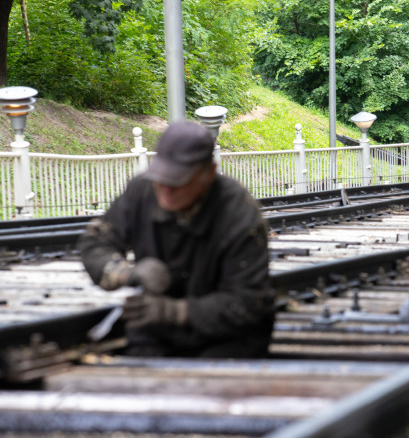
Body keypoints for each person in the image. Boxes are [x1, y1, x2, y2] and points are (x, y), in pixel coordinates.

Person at [78, 121, 274, 358]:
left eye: (178, 180)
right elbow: (95, 243)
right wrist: (125, 273)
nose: (166, 188)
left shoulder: (239, 213)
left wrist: (175, 312)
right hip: (157, 334)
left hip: (228, 339)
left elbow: (247, 303)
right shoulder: (143, 191)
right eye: (162, 177)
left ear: (208, 174)